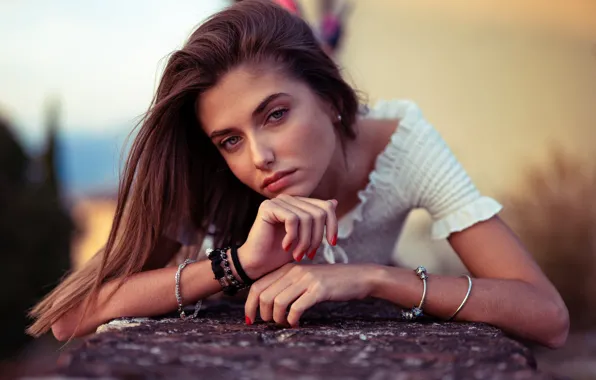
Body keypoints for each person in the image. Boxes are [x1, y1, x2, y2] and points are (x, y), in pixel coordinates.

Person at [27, 0, 569, 348]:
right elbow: (69, 318)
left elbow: (548, 317)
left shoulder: (402, 144)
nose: (258, 155)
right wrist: (237, 264)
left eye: (276, 114)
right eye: (231, 139)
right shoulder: (209, 175)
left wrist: (376, 278)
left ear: (332, 99)